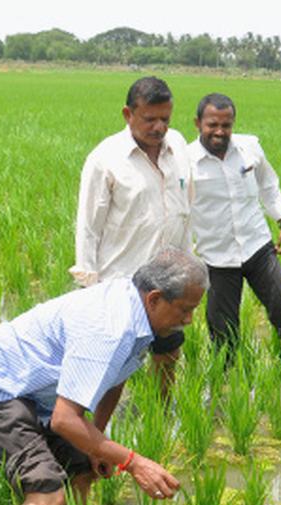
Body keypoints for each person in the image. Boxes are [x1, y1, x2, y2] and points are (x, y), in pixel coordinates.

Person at [0, 248, 208, 505]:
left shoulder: (139, 316)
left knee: (83, 465)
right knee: (48, 491)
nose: (188, 320)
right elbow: (64, 419)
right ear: (155, 299)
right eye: (185, 310)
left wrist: (95, 443)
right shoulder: (110, 329)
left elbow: (115, 377)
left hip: (35, 391)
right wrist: (134, 462)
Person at [72, 76, 193, 383]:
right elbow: (88, 227)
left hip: (169, 281)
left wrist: (189, 269)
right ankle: (105, 428)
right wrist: (89, 287)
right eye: (149, 119)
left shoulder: (178, 146)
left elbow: (185, 211)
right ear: (128, 114)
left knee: (168, 354)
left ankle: (159, 419)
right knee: (115, 366)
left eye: (165, 118)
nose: (159, 127)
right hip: (122, 285)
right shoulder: (105, 159)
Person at [187, 92, 281, 351]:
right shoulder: (186, 162)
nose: (219, 131)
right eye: (212, 125)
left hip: (258, 247)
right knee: (223, 334)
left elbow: (269, 184)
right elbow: (178, 211)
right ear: (198, 124)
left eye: (226, 125)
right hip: (217, 257)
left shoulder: (249, 148)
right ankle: (228, 386)